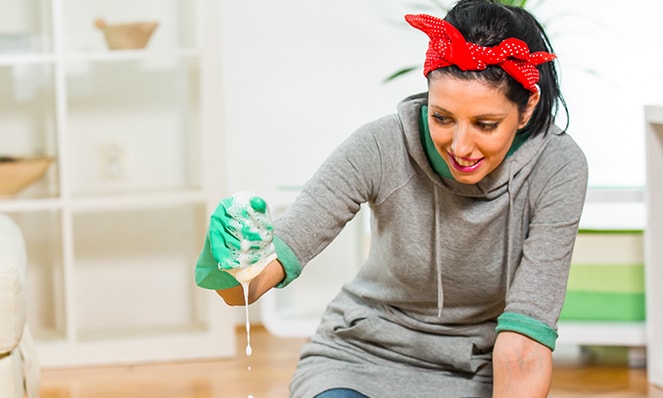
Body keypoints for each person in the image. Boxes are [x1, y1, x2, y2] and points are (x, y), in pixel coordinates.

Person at [194, 0, 588, 396]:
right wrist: (229, 262)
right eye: (442, 117)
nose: (461, 146)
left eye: (485, 124)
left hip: (476, 374)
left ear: (527, 108)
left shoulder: (557, 166)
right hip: (360, 359)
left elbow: (523, 346)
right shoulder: (381, 146)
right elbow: (249, 286)